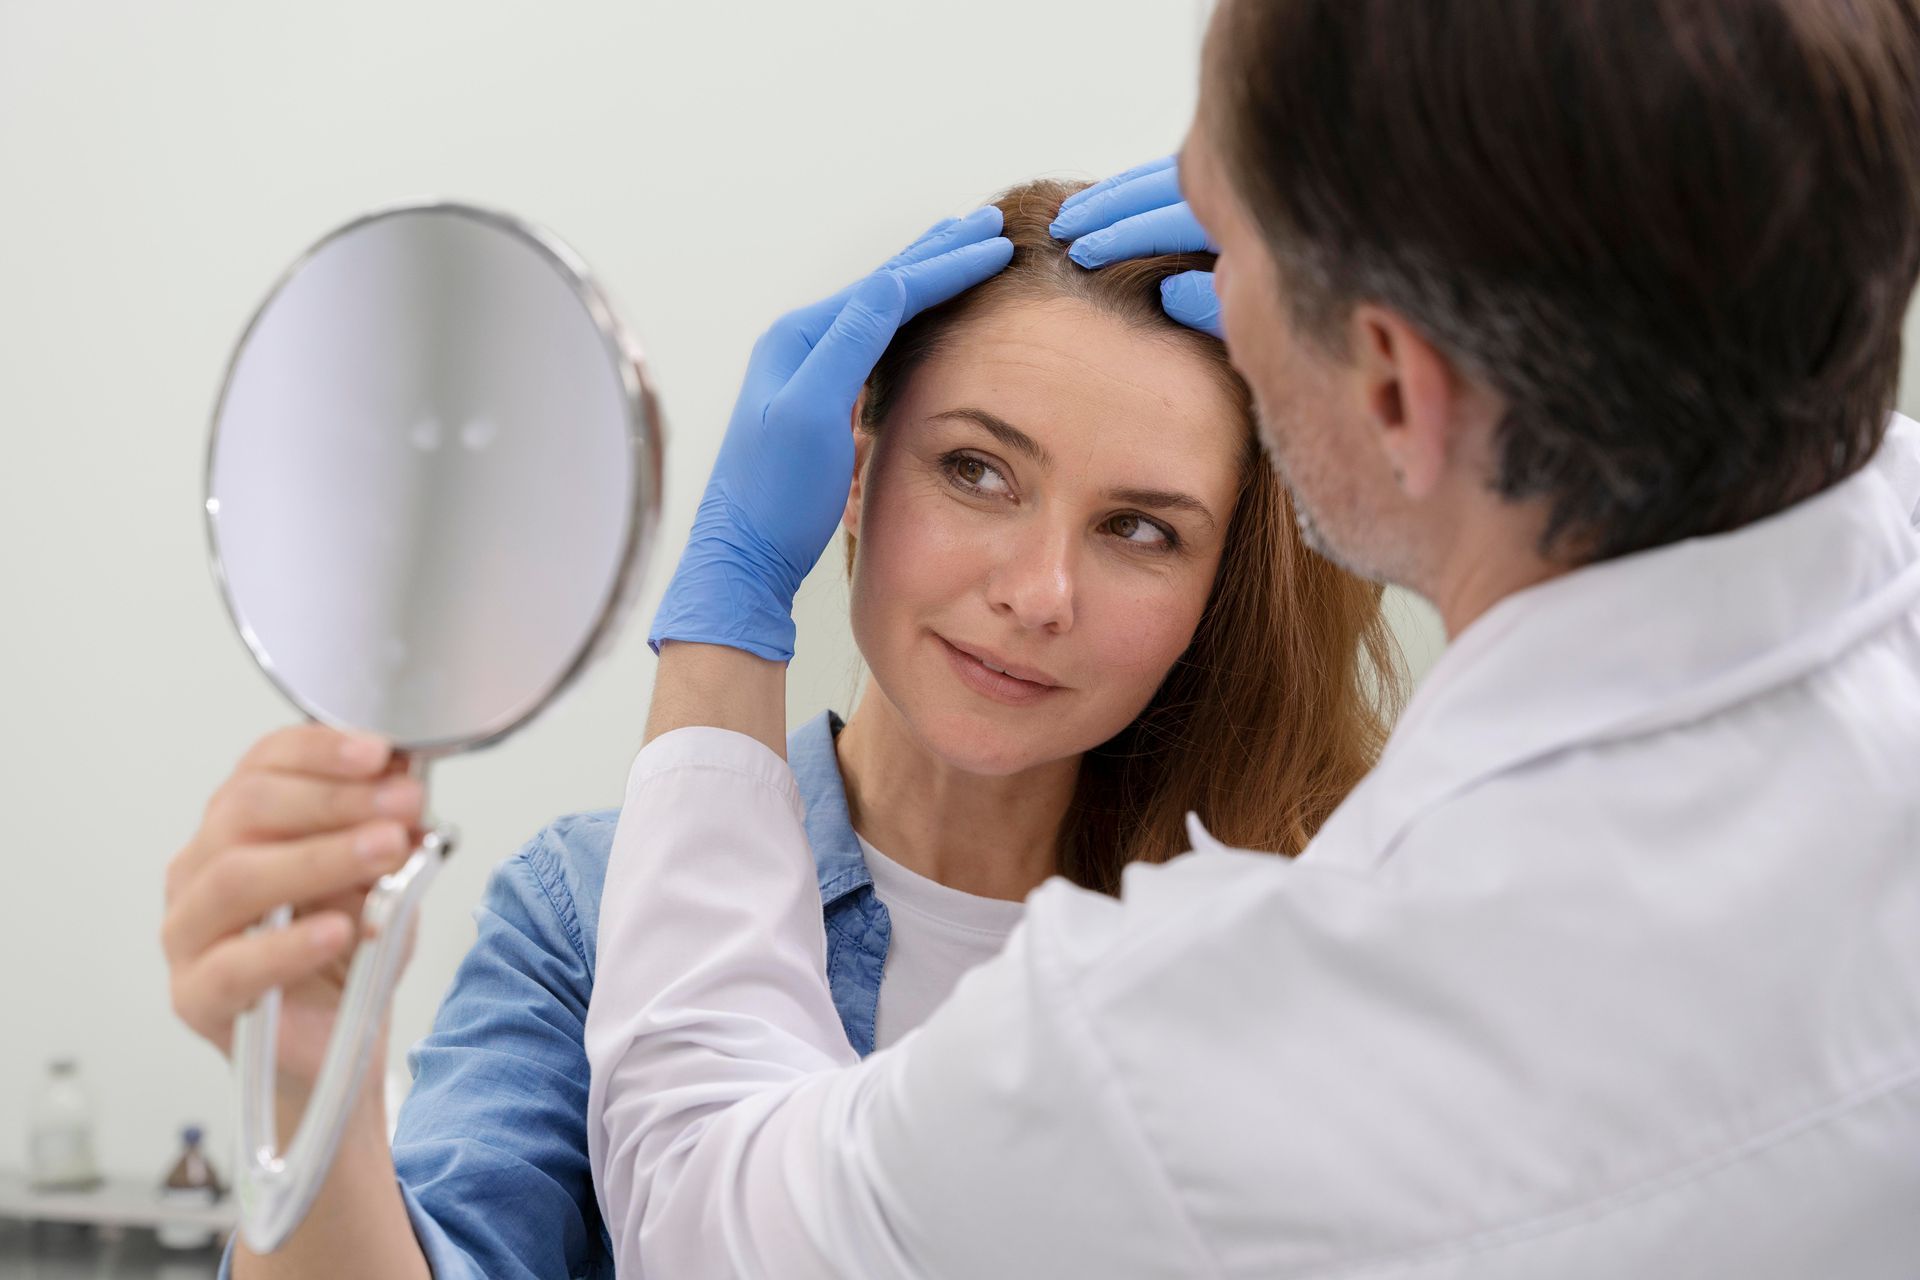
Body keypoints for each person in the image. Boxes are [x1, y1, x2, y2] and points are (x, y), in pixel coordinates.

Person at [584, 0, 1920, 1275]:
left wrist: (728, 602)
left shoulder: (1215, 1049)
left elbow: (703, 1198)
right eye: (979, 470)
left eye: (1237, 221)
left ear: (1392, 383)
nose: (1041, 590)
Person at [160, 179, 1397, 1278]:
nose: (1038, 591)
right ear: (848, 472)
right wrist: (302, 1092)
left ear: (1216, 585)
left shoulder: (1304, 934)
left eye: (1140, 528)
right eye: (975, 469)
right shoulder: (584, 912)